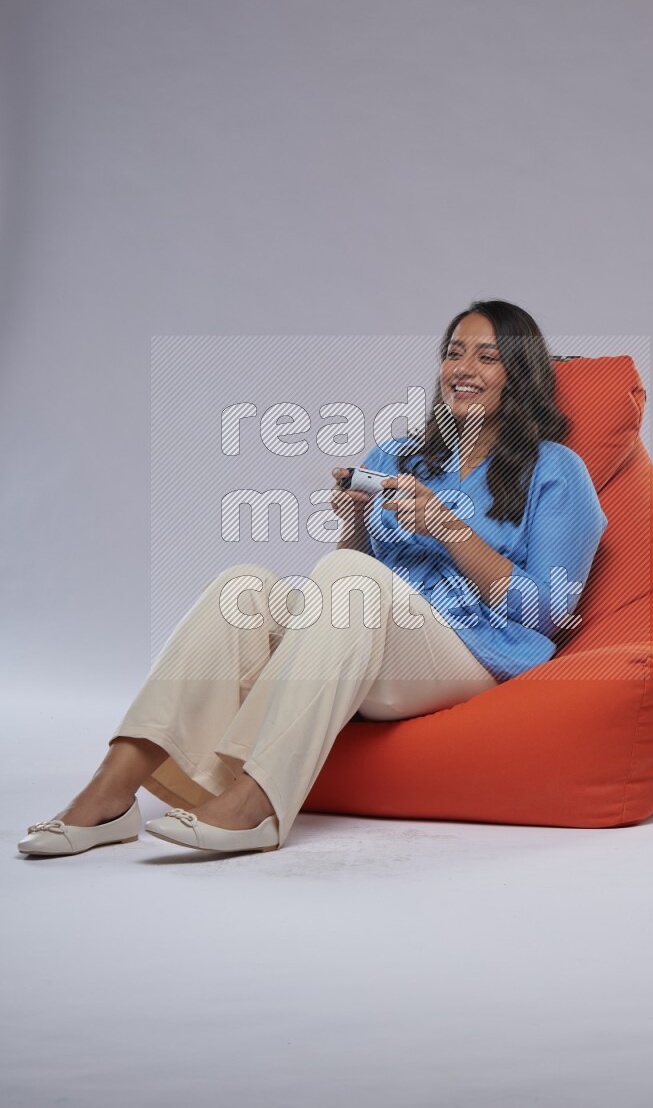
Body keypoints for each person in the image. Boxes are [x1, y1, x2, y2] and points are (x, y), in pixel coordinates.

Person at [17, 301, 608, 858]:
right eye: (454, 352)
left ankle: (257, 800)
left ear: (520, 375)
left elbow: (549, 613)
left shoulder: (558, 470)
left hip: (473, 655)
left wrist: (449, 528)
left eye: (487, 356)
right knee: (241, 587)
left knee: (350, 577)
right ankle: (112, 791)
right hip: (378, 645)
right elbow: (352, 578)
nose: (463, 368)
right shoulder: (400, 454)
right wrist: (353, 526)